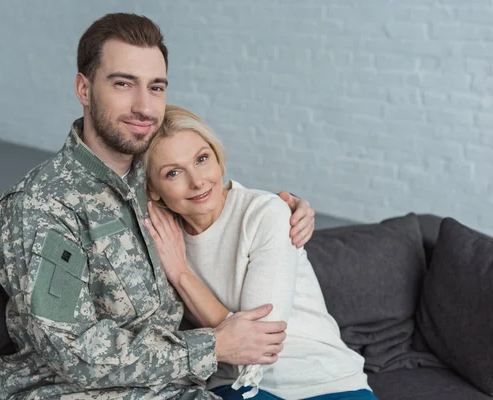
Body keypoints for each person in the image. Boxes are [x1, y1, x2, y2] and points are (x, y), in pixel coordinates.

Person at [0, 13, 316, 400]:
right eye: (123, 84)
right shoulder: (42, 207)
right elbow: (72, 351)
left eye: (156, 88)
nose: (144, 106)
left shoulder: (156, 182)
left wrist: (281, 207)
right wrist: (212, 347)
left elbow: (220, 207)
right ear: (84, 89)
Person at [143, 105, 379, 400]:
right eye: (174, 172)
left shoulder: (264, 213)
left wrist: (180, 273)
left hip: (321, 376)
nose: (197, 181)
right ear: (152, 189)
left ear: (218, 158)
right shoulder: (157, 235)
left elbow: (257, 341)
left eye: (202, 159)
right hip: (235, 384)